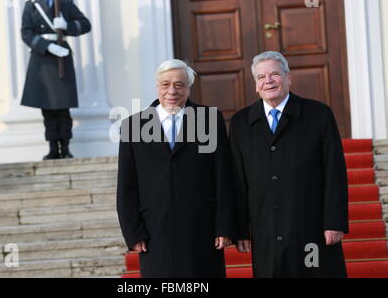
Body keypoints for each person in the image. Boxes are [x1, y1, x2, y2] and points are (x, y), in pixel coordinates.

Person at [229, 51, 349, 277]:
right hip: (265, 229)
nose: (268, 81)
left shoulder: (318, 114)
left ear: (288, 78)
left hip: (310, 227)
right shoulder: (241, 123)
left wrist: (335, 221)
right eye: (261, 77)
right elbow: (237, 180)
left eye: (274, 74)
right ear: (256, 85)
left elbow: (335, 172)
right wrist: (241, 229)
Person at [116, 59, 238, 278]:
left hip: (202, 229)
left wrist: (225, 225)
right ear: (157, 87)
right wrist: (133, 232)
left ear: (188, 88)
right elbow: (126, 185)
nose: (172, 91)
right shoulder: (133, 126)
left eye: (179, 85)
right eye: (165, 84)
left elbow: (223, 176)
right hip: (155, 232)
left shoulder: (209, 120)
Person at [20, 0, 91, 159]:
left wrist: (67, 25)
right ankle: (53, 148)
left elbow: (85, 24)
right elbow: (26, 32)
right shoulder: (32, 6)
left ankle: (65, 148)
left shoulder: (65, 3)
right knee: (47, 106)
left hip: (62, 58)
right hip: (43, 58)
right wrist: (46, 46)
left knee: (63, 105)